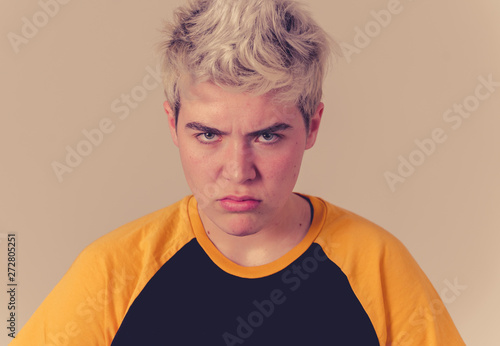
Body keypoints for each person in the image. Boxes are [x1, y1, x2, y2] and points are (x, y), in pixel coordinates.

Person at [12, 0, 465, 345]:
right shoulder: (115, 272)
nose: (237, 171)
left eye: (267, 136)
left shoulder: (378, 267)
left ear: (312, 126)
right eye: (208, 134)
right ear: (172, 124)